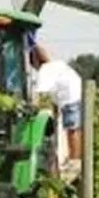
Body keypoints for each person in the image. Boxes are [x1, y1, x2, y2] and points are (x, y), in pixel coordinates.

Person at [29, 43, 83, 178]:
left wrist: (32, 105)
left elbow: (39, 92)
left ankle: (74, 161)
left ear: (35, 61)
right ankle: (72, 158)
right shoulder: (56, 65)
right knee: (72, 129)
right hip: (74, 94)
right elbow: (55, 90)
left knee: (72, 128)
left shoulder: (45, 70)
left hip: (70, 97)